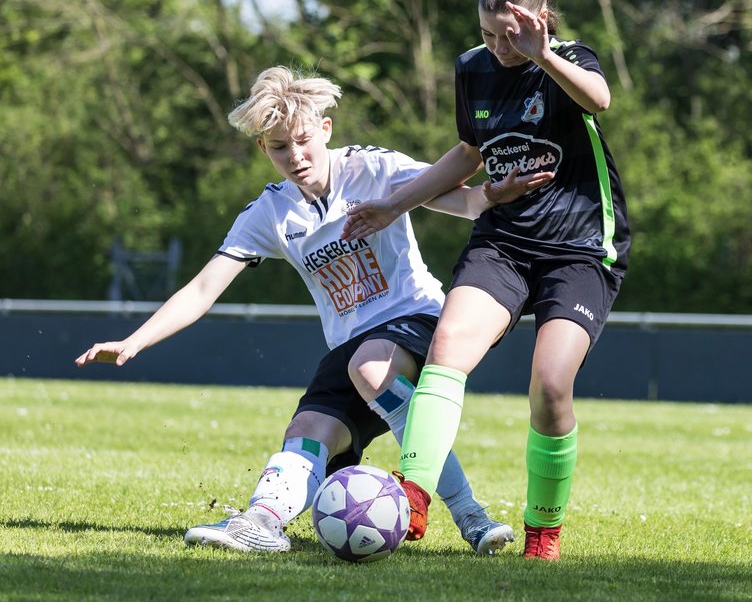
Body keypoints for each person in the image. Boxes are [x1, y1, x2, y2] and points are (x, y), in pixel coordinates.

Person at [75, 66, 550, 555]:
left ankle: (471, 516)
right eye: (279, 147)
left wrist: (494, 193)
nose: (295, 156)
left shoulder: (374, 168)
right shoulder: (271, 212)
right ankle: (259, 523)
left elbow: (467, 202)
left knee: (370, 366)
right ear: (264, 149)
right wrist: (134, 340)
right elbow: (202, 289)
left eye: (302, 140)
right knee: (307, 431)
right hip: (350, 346)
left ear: (325, 129)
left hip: (418, 320)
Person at [341, 0, 630, 561]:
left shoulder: (568, 57)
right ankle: (411, 496)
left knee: (551, 384)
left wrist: (541, 54)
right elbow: (467, 153)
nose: (499, 46)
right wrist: (397, 204)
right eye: (487, 32)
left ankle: (542, 530)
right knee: (446, 350)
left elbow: (600, 100)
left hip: (578, 248)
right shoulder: (473, 68)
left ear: (540, 17)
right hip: (503, 240)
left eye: (510, 33)